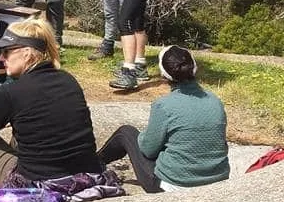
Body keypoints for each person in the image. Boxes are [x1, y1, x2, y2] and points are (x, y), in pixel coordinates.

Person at [0, 18, 101, 197]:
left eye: (6, 52)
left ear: (27, 53)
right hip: (83, 176)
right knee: (26, 124)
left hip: (35, 184)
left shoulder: (11, 91)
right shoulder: (69, 81)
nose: (0, 58)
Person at [97, 45, 230, 192]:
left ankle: (94, 162)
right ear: (194, 68)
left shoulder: (164, 105)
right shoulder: (215, 101)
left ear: (163, 75)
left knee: (126, 133)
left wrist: (143, 137)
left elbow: (148, 150)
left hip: (174, 184)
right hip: (218, 178)